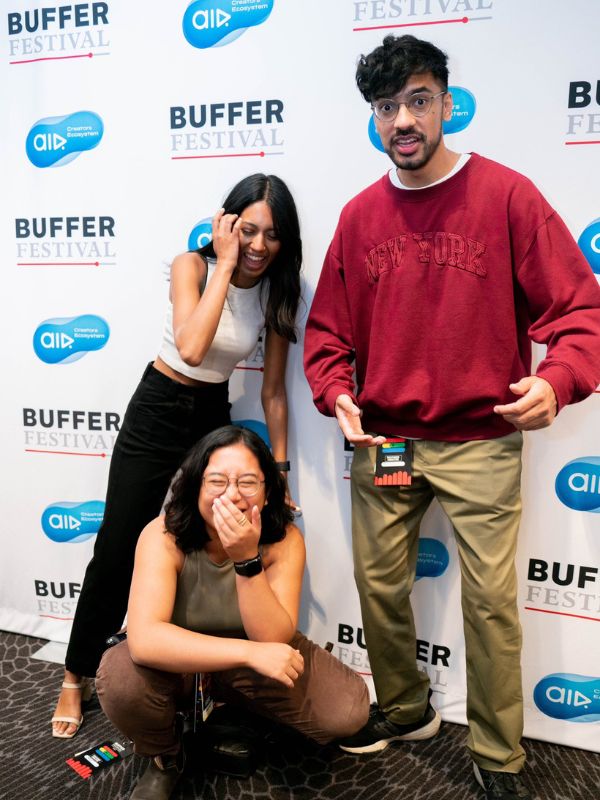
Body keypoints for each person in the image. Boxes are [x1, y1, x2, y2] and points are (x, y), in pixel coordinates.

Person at [303, 34, 600, 800]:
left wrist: (559, 380)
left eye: (417, 100)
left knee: (492, 606)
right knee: (378, 586)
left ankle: (499, 758)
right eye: (387, 106)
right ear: (374, 116)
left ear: (444, 103)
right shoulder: (360, 217)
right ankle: (406, 710)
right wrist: (336, 389)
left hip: (480, 442)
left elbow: (580, 312)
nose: (403, 119)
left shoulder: (506, 196)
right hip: (388, 440)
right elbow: (327, 332)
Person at [51, 173, 303, 739]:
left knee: (206, 540)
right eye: (249, 230)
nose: (259, 245)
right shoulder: (192, 266)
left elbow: (273, 392)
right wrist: (224, 263)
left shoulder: (276, 292)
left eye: (272, 235)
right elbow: (191, 347)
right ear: (227, 224)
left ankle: (198, 670)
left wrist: (281, 470)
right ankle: (74, 674)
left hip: (211, 413)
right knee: (118, 544)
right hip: (159, 405)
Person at [95, 425, 370, 799]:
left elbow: (273, 638)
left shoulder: (285, 539)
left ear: (268, 492)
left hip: (253, 656)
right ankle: (166, 757)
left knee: (348, 710)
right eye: (217, 481)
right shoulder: (163, 535)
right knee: (121, 681)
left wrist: (246, 559)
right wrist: (248, 653)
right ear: (196, 487)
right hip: (183, 660)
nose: (232, 494)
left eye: (247, 482)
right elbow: (145, 641)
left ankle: (232, 709)